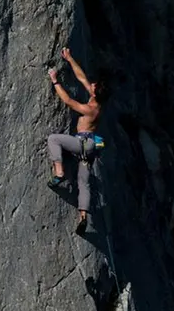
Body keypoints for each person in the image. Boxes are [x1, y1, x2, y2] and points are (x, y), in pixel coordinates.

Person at [46, 47, 108, 235]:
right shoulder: (99, 101)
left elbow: (69, 101)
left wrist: (55, 80)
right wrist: (70, 58)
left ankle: (59, 172)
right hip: (90, 149)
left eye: (95, 85)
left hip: (82, 143)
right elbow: (82, 78)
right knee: (84, 183)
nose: (92, 84)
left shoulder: (91, 109)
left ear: (96, 92)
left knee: (53, 139)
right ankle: (83, 217)